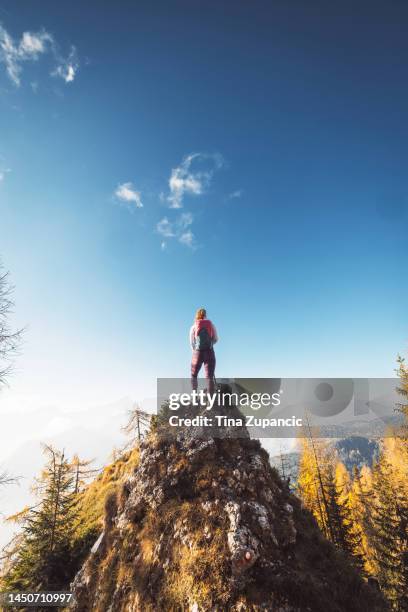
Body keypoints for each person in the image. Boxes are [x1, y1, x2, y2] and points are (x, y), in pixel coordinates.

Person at [190, 308, 218, 393]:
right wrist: (210, 344)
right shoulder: (211, 324)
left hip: (197, 353)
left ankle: (194, 396)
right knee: (209, 377)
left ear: (197, 315)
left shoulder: (194, 326)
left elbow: (192, 343)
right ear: (205, 314)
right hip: (209, 351)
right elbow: (216, 339)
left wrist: (195, 352)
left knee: (193, 375)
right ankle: (211, 402)